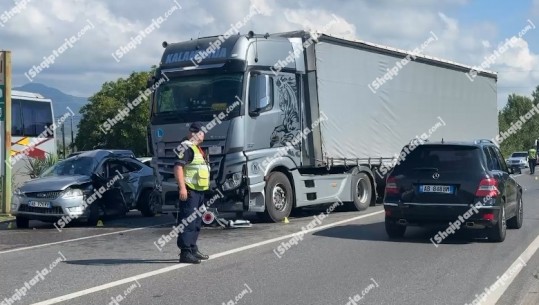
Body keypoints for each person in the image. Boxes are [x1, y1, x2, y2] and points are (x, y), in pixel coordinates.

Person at [174, 122, 211, 264]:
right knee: (187, 221)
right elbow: (178, 168)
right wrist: (182, 188)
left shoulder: (197, 149)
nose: (203, 135)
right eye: (201, 132)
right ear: (193, 133)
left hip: (199, 191)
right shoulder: (186, 147)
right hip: (190, 191)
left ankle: (193, 248)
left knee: (196, 222)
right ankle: (185, 252)